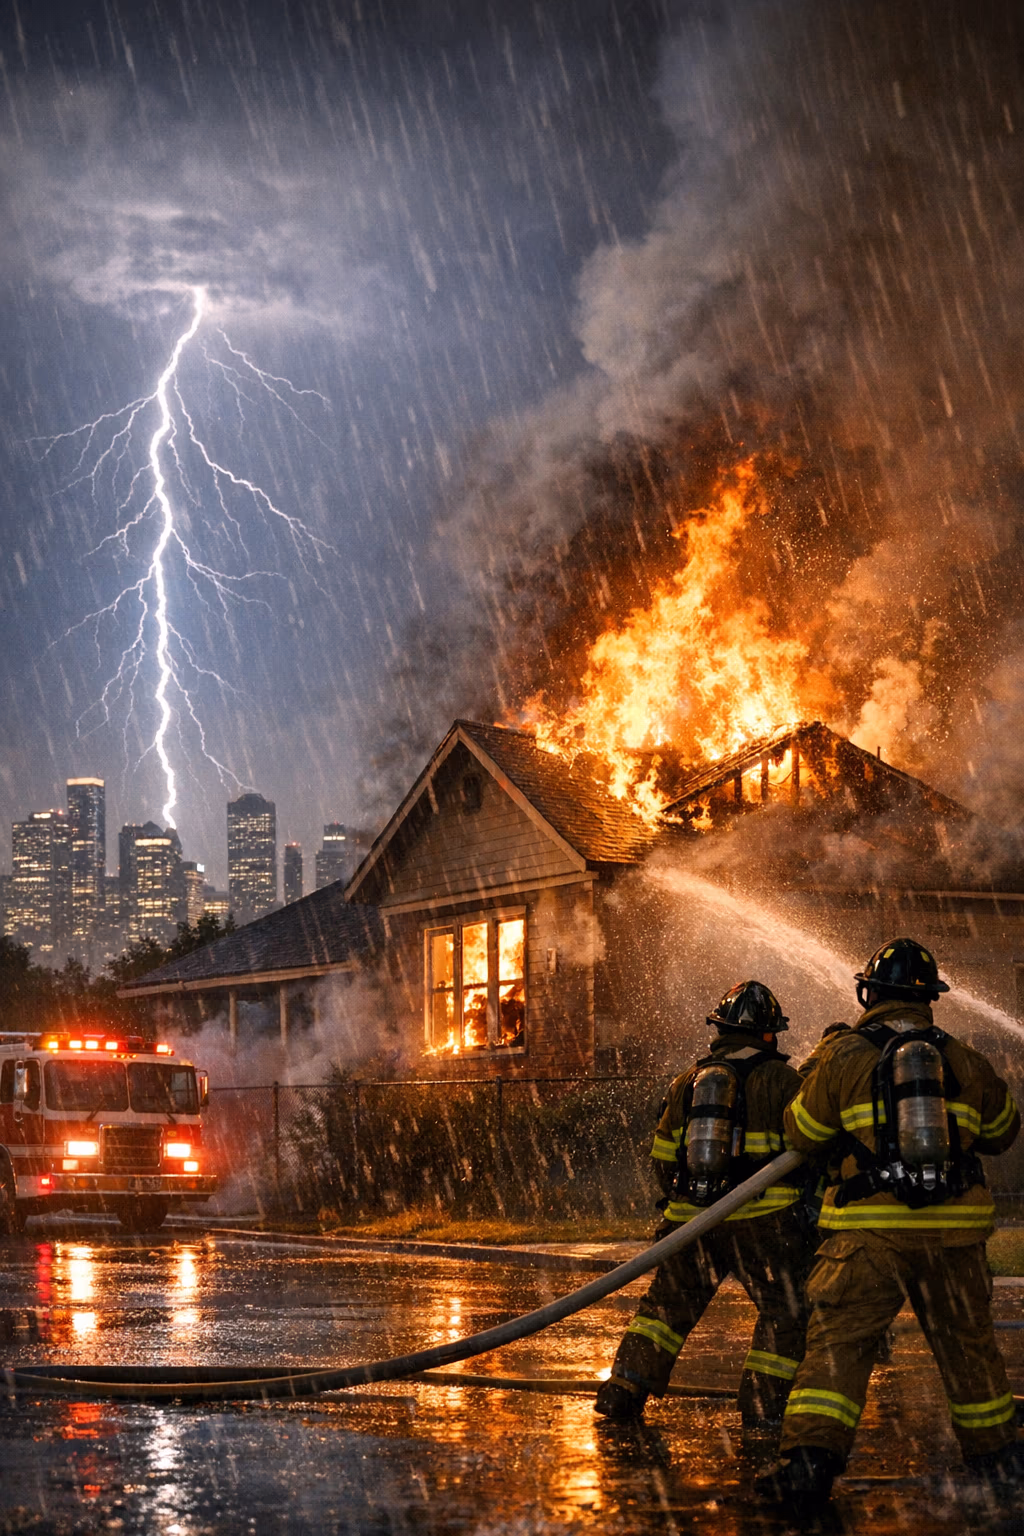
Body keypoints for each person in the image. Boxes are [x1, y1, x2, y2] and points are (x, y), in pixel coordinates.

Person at [756, 938, 1022, 1502]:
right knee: (969, 1347)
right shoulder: (965, 1059)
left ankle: (808, 1465)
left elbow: (800, 1132)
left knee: (839, 1348)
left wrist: (819, 1066)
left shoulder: (844, 1056)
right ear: (930, 999)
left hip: (867, 1235)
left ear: (869, 992)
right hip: (954, 1235)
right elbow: (1002, 1133)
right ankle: (996, 1458)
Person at [595, 981, 816, 1437]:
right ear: (770, 1035)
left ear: (720, 1029)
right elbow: (810, 1147)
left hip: (690, 1224)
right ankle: (762, 1406)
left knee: (665, 1309)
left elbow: (661, 1157)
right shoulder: (784, 1081)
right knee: (785, 1310)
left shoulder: (686, 1082)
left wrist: (689, 1200)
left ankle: (623, 1389)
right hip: (765, 1223)